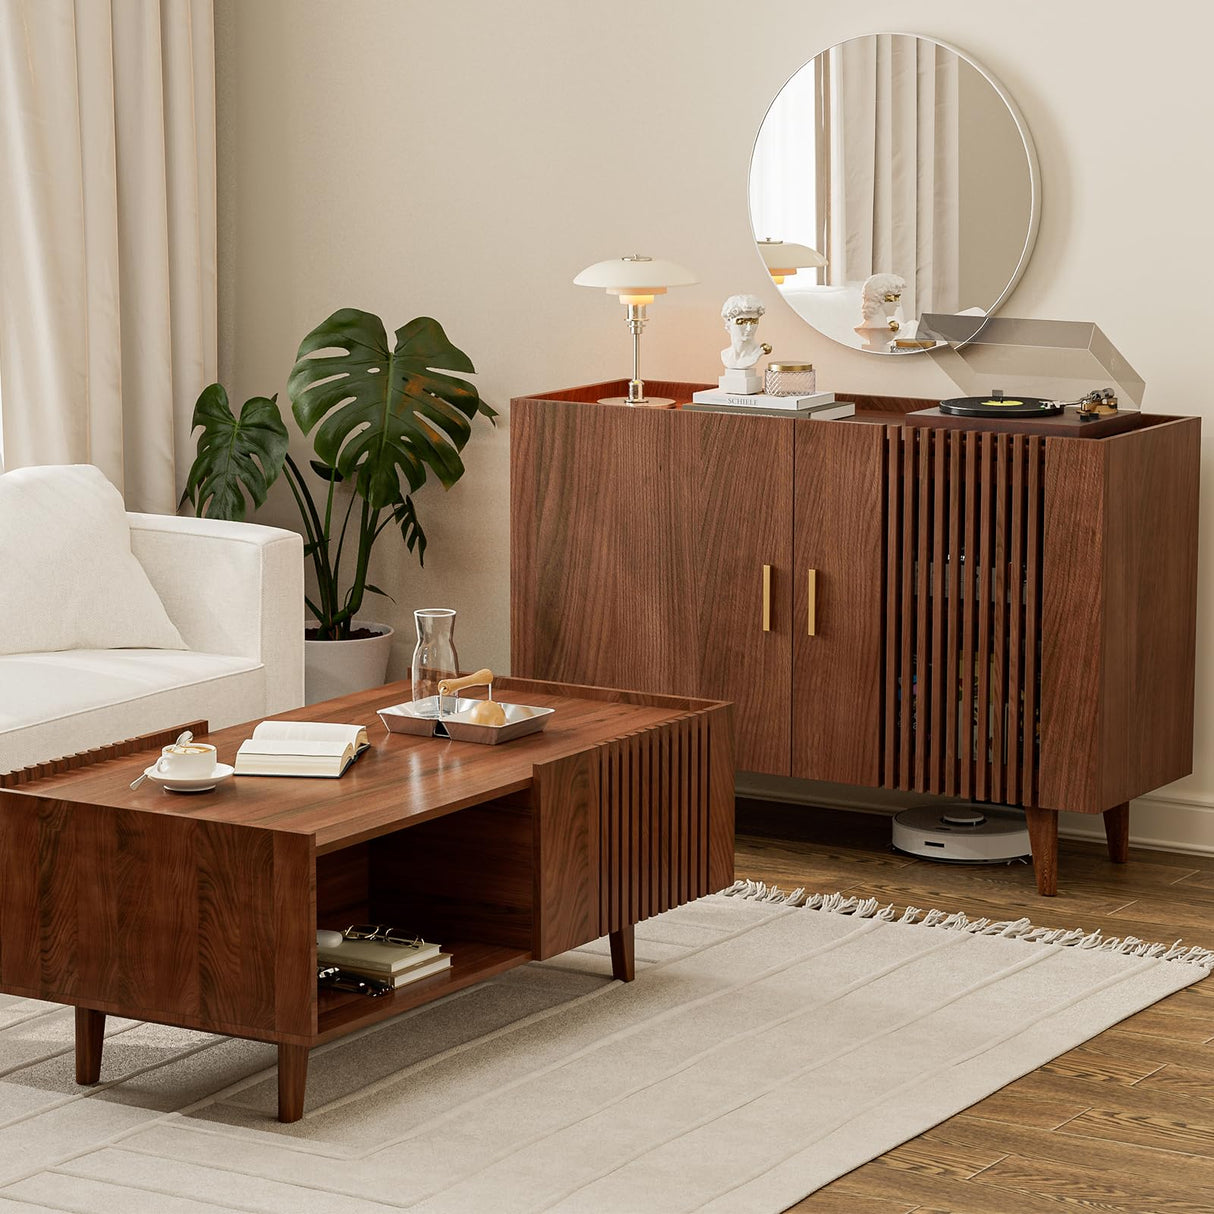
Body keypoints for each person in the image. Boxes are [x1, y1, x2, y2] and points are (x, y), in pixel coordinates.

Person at [720, 294, 772, 370]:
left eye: (753, 321)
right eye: (741, 322)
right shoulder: (725, 355)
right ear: (728, 323)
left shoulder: (758, 352)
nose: (749, 328)